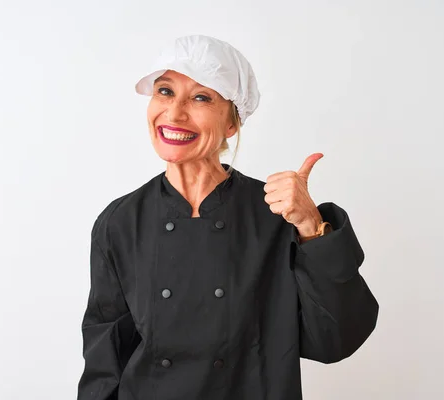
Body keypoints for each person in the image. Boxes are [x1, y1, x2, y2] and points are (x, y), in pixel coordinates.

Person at [77, 35, 379, 400]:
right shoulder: (120, 222)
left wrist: (311, 228)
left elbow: (337, 340)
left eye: (201, 97)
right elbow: (104, 363)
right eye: (165, 91)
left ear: (232, 122)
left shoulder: (275, 216)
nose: (174, 113)